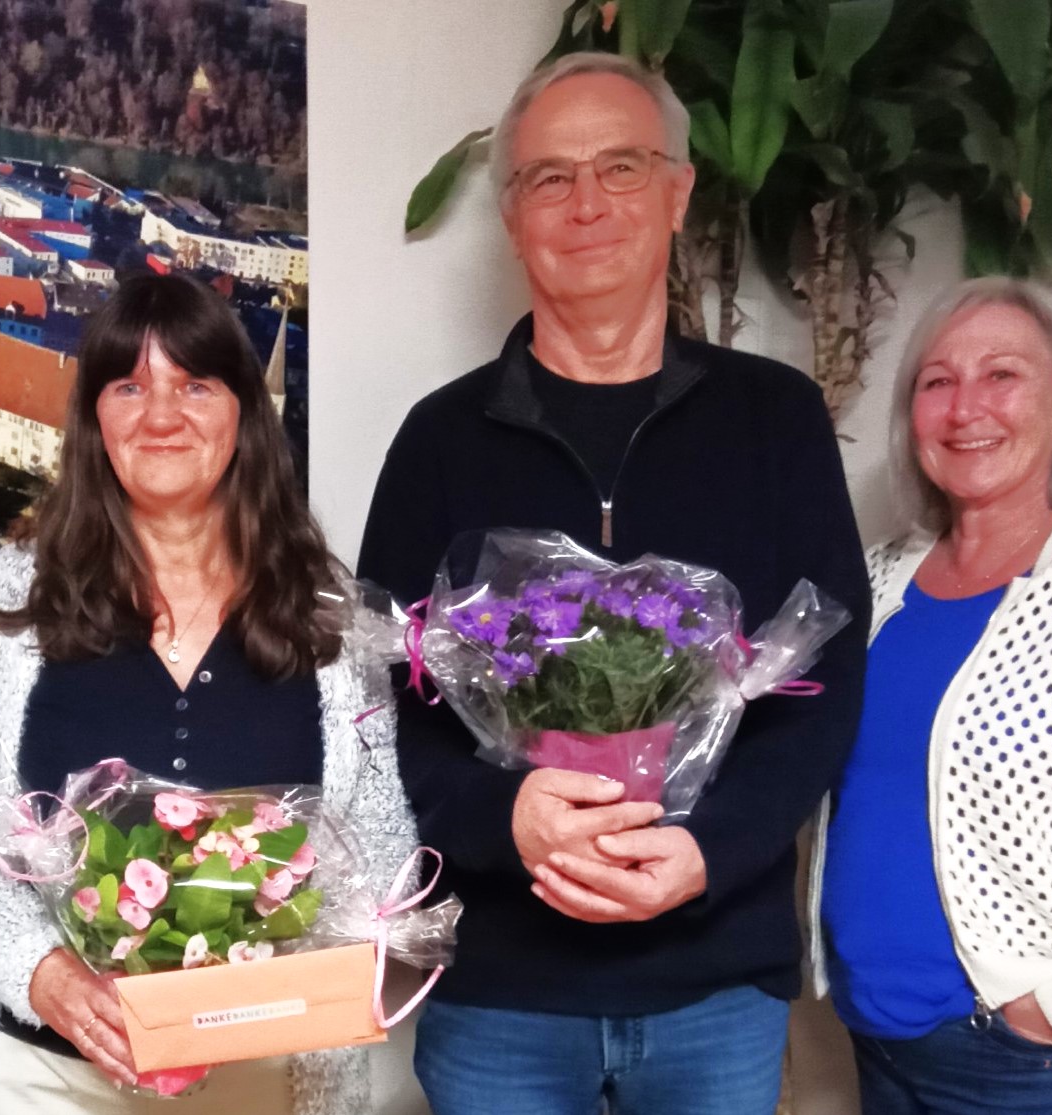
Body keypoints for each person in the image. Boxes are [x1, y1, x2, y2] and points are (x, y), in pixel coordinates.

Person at [357, 52, 871, 1114]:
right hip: (501, 988)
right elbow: (383, 705)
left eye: (621, 167)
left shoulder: (774, 419)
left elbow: (826, 686)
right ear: (512, 216)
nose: (586, 203)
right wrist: (505, 822)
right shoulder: (438, 440)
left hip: (714, 980)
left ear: (677, 193)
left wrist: (706, 852)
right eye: (549, 176)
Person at [0, 272, 418, 1115]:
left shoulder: (323, 609)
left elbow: (376, 841)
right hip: (40, 1076)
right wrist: (42, 975)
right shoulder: (15, 597)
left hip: (264, 1080)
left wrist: (358, 948)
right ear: (94, 420)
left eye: (195, 385)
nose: (160, 415)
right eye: (128, 386)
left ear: (243, 413)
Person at [809, 277, 1052, 1114]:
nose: (964, 408)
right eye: (936, 381)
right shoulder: (880, 573)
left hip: (1028, 1063)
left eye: (1001, 374)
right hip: (876, 1035)